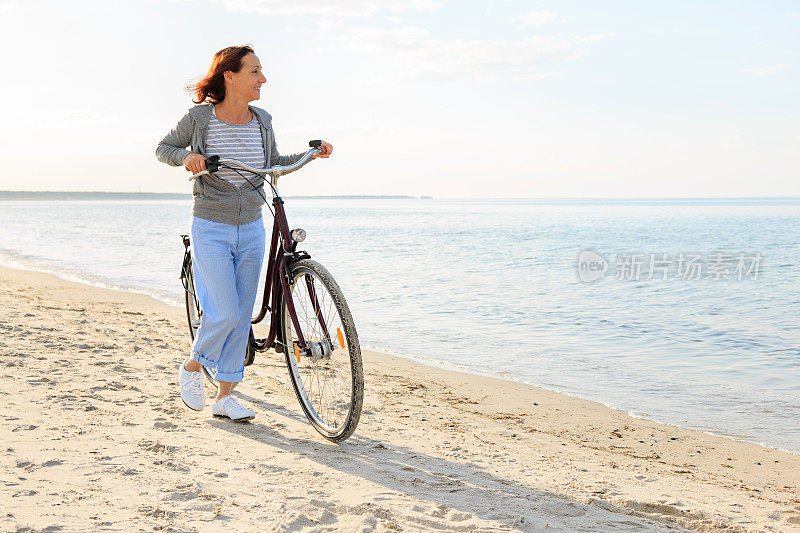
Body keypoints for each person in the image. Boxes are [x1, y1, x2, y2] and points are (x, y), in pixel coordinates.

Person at [155, 45, 333, 421]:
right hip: (211, 225)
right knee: (221, 312)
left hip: (252, 227)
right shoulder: (200, 118)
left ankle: (224, 397)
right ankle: (192, 367)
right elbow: (164, 148)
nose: (262, 79)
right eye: (255, 71)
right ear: (229, 76)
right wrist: (187, 157)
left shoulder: (262, 119)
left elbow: (273, 164)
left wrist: (309, 154)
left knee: (240, 314)